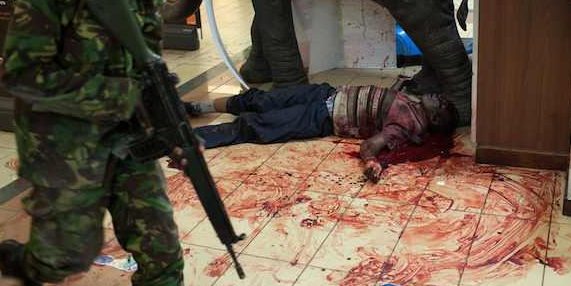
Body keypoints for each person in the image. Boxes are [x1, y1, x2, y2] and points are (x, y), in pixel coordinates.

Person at [0, 0, 188, 286]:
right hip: (63, 138)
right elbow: (23, 76)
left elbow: (148, 66)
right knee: (66, 257)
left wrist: (168, 127)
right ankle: (23, 265)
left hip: (129, 135)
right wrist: (119, 96)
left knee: (159, 245)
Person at [186, 84, 457, 183]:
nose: (440, 97)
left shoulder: (407, 125)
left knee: (255, 125)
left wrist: (371, 162)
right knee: (258, 99)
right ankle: (197, 107)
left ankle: (182, 139)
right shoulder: (413, 101)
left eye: (442, 104)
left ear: (434, 119)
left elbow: (370, 146)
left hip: (320, 116)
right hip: (325, 93)